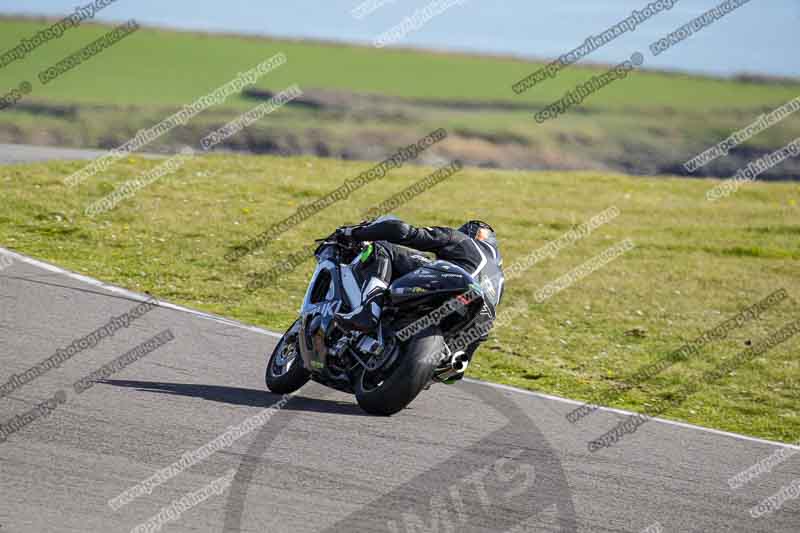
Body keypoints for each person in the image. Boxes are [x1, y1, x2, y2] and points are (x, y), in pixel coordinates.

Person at [334, 217, 504, 372]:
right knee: (451, 369)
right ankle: (442, 365)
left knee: (382, 248)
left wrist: (356, 233)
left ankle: (369, 310)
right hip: (477, 323)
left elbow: (403, 232)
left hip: (456, 287)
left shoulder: (463, 241)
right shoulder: (499, 279)